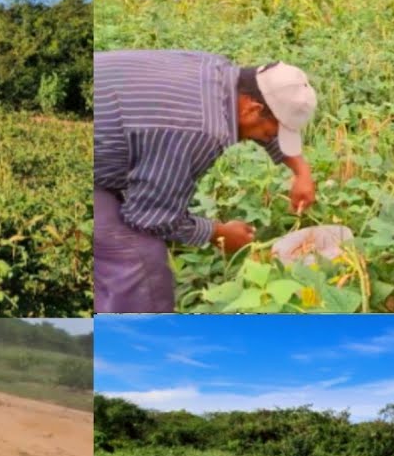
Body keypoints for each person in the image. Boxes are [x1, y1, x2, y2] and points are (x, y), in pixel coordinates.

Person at [93, 50, 319, 313]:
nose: (266, 137)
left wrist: (301, 171)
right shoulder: (199, 131)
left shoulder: (218, 71)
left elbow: (262, 126)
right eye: (270, 132)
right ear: (253, 109)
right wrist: (218, 233)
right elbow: (152, 217)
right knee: (140, 260)